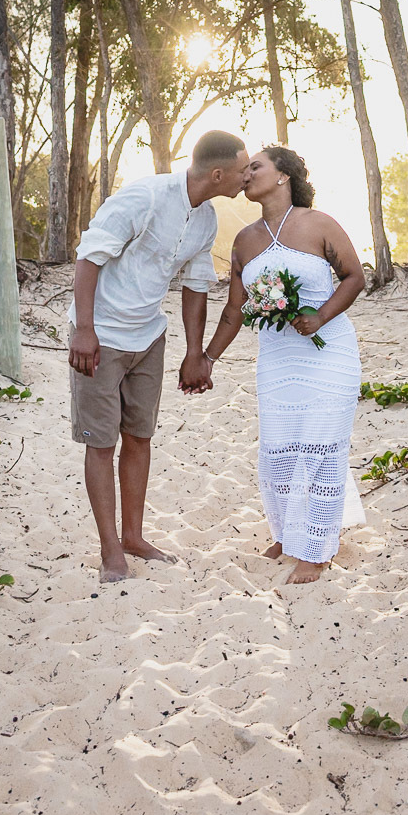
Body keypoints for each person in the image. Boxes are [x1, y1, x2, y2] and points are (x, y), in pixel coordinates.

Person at [69, 130, 249, 583]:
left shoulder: (207, 219)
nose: (248, 176)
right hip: (103, 335)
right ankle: (111, 550)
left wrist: (195, 353)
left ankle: (133, 535)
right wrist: (85, 330)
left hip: (149, 337)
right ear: (217, 173)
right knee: (101, 442)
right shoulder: (145, 198)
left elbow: (195, 285)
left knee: (139, 437)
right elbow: (89, 257)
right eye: (244, 169)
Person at [201, 146, 366, 584]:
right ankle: (287, 534)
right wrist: (206, 358)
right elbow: (235, 310)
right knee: (280, 452)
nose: (246, 172)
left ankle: (316, 550)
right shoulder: (245, 240)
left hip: (329, 353)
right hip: (277, 359)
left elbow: (355, 276)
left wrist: (320, 316)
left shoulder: (319, 224)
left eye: (256, 165)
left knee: (322, 449)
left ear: (283, 176)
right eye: (244, 167)